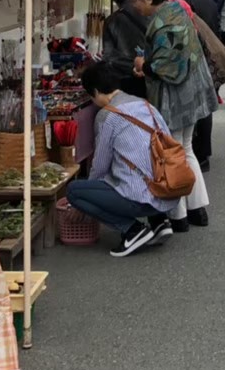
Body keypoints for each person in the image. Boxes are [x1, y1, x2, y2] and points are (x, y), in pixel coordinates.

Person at [126, 0, 213, 229]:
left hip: (176, 96)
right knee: (186, 150)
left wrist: (144, 64)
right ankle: (198, 210)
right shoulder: (177, 10)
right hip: (194, 90)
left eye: (137, 1)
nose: (135, 6)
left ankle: (179, 216)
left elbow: (167, 67)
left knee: (171, 153)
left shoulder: (163, 23)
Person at [65, 62, 174, 257]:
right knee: (141, 165)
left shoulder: (107, 116)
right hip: (168, 189)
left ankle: (132, 230)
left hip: (141, 198)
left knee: (74, 191)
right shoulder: (146, 105)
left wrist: (84, 201)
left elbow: (99, 167)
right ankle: (160, 221)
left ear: (96, 92)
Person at [173, 0, 220, 174]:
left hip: (191, 64)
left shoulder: (184, 6)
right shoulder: (210, 2)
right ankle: (204, 154)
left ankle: (192, 154)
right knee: (206, 110)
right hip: (209, 63)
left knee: (192, 112)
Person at [101, 0, 149, 98]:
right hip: (155, 76)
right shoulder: (151, 11)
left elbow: (109, 57)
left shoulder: (111, 21)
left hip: (128, 83)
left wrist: (133, 67)